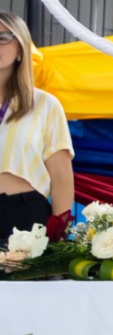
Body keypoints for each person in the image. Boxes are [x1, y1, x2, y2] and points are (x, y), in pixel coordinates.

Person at [0, 13, 73, 238]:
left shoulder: (45, 104)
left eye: (3, 38)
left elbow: (61, 177)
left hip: (23, 217)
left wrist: (59, 236)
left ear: (21, 49)